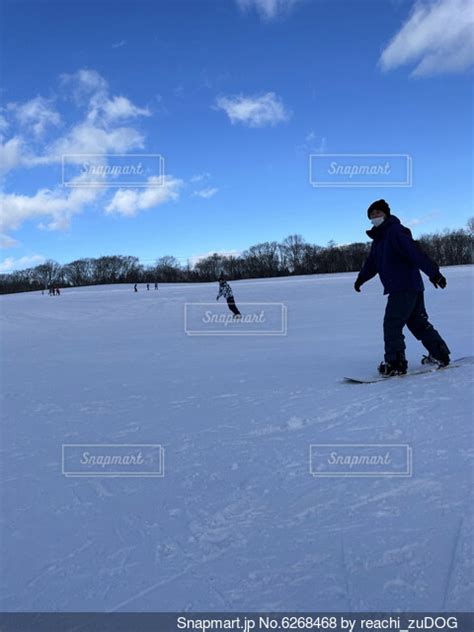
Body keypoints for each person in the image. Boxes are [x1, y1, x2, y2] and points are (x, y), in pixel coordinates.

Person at [354, 199, 450, 377]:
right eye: (372, 215)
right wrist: (361, 279)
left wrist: (433, 273)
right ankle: (440, 353)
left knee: (392, 324)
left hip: (403, 286)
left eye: (378, 213)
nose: (375, 217)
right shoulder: (379, 239)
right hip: (410, 286)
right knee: (418, 322)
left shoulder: (395, 231)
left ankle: (395, 363)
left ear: (386, 214)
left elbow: (415, 252)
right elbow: (372, 263)